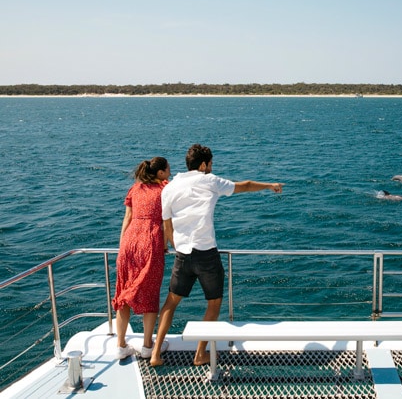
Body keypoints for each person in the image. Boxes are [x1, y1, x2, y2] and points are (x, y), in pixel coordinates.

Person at [150, 144, 284, 367]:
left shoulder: (169, 188)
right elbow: (245, 186)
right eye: (211, 164)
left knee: (170, 304)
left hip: (182, 255)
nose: (212, 167)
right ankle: (200, 354)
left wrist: (179, 248)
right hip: (206, 255)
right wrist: (270, 185)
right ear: (203, 165)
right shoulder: (208, 181)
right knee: (214, 303)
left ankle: (155, 354)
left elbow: (168, 227)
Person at [112, 157, 172, 360]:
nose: (170, 171)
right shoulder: (165, 190)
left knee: (123, 295)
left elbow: (127, 218)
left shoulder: (135, 189)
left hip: (129, 242)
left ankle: (121, 345)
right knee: (151, 292)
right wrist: (164, 244)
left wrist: (122, 247)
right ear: (161, 173)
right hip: (151, 241)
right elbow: (165, 222)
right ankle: (147, 346)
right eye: (168, 169)